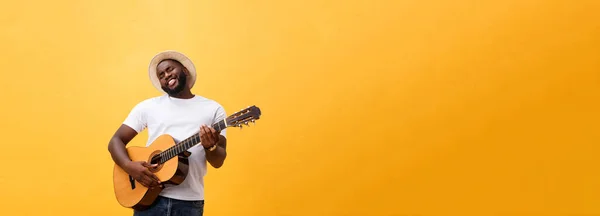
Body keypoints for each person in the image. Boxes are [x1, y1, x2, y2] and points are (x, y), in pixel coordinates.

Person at [108, 50, 228, 216]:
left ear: (185, 70)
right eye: (161, 75)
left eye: (170, 69)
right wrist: (129, 167)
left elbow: (218, 161)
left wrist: (211, 147)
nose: (166, 75)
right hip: (149, 198)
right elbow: (116, 141)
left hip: (190, 203)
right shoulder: (148, 107)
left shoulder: (213, 109)